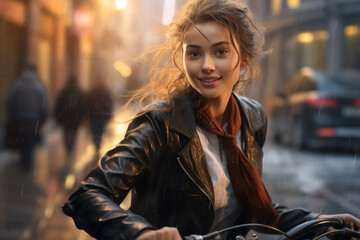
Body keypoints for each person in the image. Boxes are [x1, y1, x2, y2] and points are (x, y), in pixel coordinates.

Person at [62, 0, 360, 239]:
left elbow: (254, 206)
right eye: (194, 53)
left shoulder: (253, 117)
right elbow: (88, 195)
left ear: (242, 58)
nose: (206, 66)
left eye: (220, 52)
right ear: (183, 58)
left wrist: (318, 221)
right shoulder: (159, 124)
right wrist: (142, 233)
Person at [5, 64, 49, 171]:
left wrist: (11, 114)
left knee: (22, 139)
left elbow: (10, 100)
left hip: (19, 118)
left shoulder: (18, 85)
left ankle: (24, 161)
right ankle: (27, 163)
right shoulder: (39, 86)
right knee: (30, 141)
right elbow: (45, 104)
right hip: (34, 119)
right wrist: (43, 118)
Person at [54, 75, 88, 160]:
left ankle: (68, 147)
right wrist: (83, 116)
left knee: (66, 133)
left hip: (66, 117)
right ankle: (71, 148)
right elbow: (83, 105)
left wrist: (57, 116)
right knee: (74, 134)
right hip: (75, 118)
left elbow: (59, 104)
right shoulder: (79, 92)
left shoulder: (64, 91)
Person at [87, 79, 114, 157]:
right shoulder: (105, 91)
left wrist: (87, 114)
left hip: (94, 116)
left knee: (95, 132)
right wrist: (109, 115)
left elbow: (88, 103)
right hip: (102, 116)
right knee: (100, 131)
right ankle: (98, 145)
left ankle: (97, 146)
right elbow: (109, 103)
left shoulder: (92, 91)